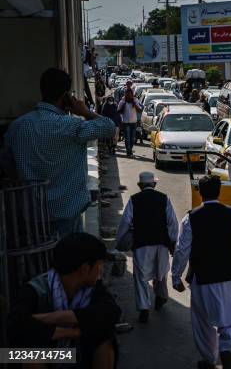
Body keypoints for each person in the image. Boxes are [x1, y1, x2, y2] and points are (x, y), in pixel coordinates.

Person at [3, 68, 115, 238]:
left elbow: (6, 163)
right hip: (67, 217)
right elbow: (109, 127)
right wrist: (84, 111)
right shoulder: (71, 127)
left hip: (31, 218)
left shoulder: (17, 127)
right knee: (69, 262)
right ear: (66, 97)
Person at [7, 233, 121, 368]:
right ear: (85, 269)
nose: (101, 270)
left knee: (105, 340)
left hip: (76, 354)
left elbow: (112, 312)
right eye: (99, 264)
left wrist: (54, 317)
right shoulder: (35, 289)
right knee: (28, 355)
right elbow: (14, 327)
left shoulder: (93, 289)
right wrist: (72, 332)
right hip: (54, 356)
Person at [172, 175, 231, 369]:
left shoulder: (190, 218)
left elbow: (182, 250)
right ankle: (226, 351)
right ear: (219, 191)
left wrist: (176, 277)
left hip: (203, 278)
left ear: (199, 191)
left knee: (203, 322)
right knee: (230, 319)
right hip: (230, 276)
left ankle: (208, 358)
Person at [116, 171, 178, 323]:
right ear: (154, 184)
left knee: (141, 277)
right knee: (161, 272)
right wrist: (172, 242)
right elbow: (172, 223)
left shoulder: (134, 200)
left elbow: (125, 222)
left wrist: (120, 240)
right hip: (162, 243)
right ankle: (161, 297)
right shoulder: (164, 198)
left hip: (142, 244)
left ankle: (144, 307)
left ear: (139, 185)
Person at [117, 87, 142, 157]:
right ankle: (129, 151)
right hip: (126, 122)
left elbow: (140, 110)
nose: (129, 95)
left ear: (132, 94)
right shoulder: (122, 101)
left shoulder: (135, 100)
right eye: (127, 93)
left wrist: (135, 104)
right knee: (127, 138)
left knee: (132, 138)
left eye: (130, 93)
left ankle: (130, 149)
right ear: (125, 94)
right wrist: (123, 106)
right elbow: (118, 111)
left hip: (134, 122)